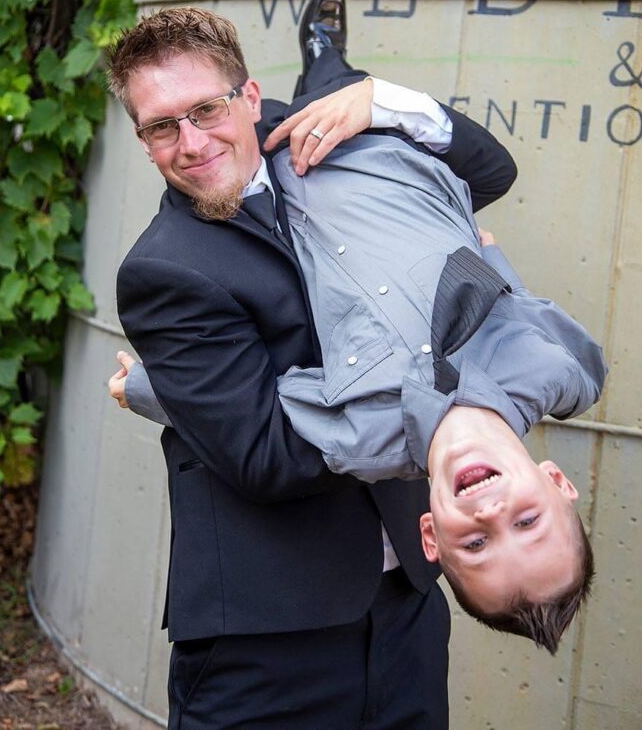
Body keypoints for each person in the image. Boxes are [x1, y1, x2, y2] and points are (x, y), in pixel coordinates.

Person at [106, 0, 517, 729]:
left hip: (407, 603)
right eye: (161, 127)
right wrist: (445, 411)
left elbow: (485, 177)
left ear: (249, 95)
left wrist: (384, 103)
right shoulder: (164, 273)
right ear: (142, 139)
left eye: (205, 110)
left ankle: (329, 55)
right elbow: (267, 454)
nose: (192, 143)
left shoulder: (318, 138)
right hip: (268, 636)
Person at [113, 60, 606, 657]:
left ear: (432, 534)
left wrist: (148, 389)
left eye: (474, 545)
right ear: (555, 482)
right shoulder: (567, 372)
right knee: (335, 86)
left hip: (295, 178)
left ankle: (319, 65)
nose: (491, 512)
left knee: (298, 111)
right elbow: (512, 286)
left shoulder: (361, 437)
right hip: (386, 168)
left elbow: (262, 412)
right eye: (527, 522)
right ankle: (329, 58)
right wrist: (383, 106)